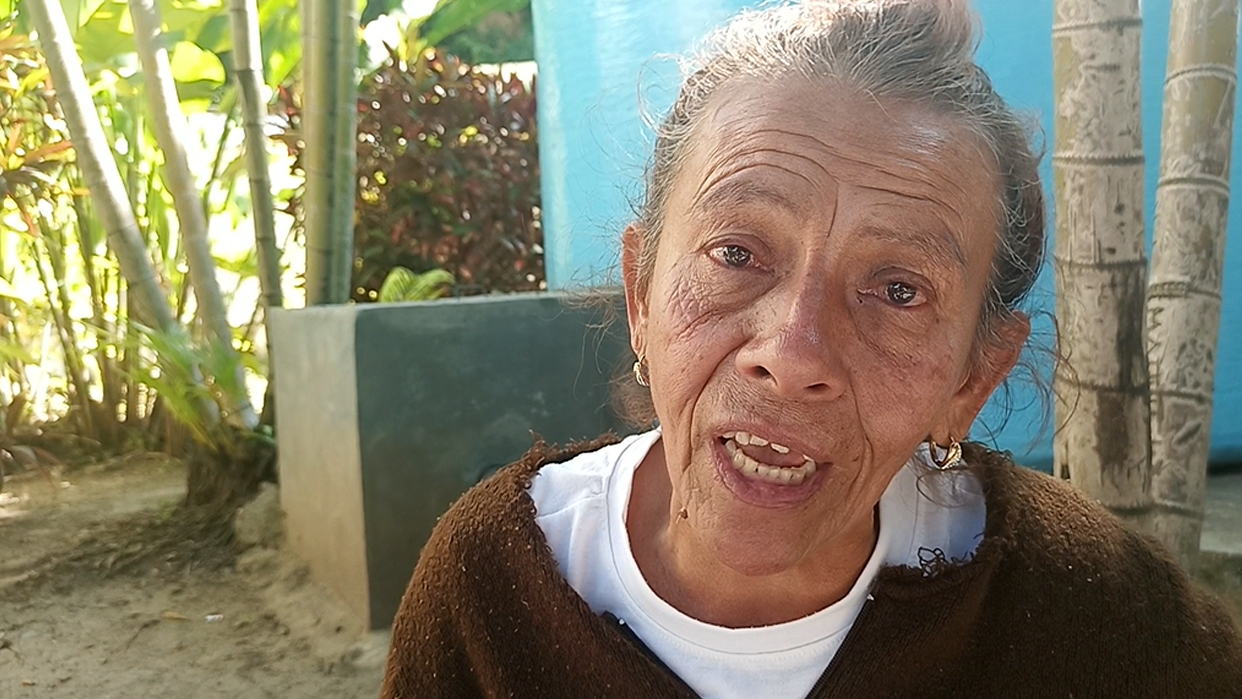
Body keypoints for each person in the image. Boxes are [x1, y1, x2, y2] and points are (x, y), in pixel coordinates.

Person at [380, 1, 1242, 697]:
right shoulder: (494, 582)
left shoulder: (1082, 603)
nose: (792, 355)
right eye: (736, 253)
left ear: (973, 378)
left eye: (898, 291)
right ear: (640, 295)